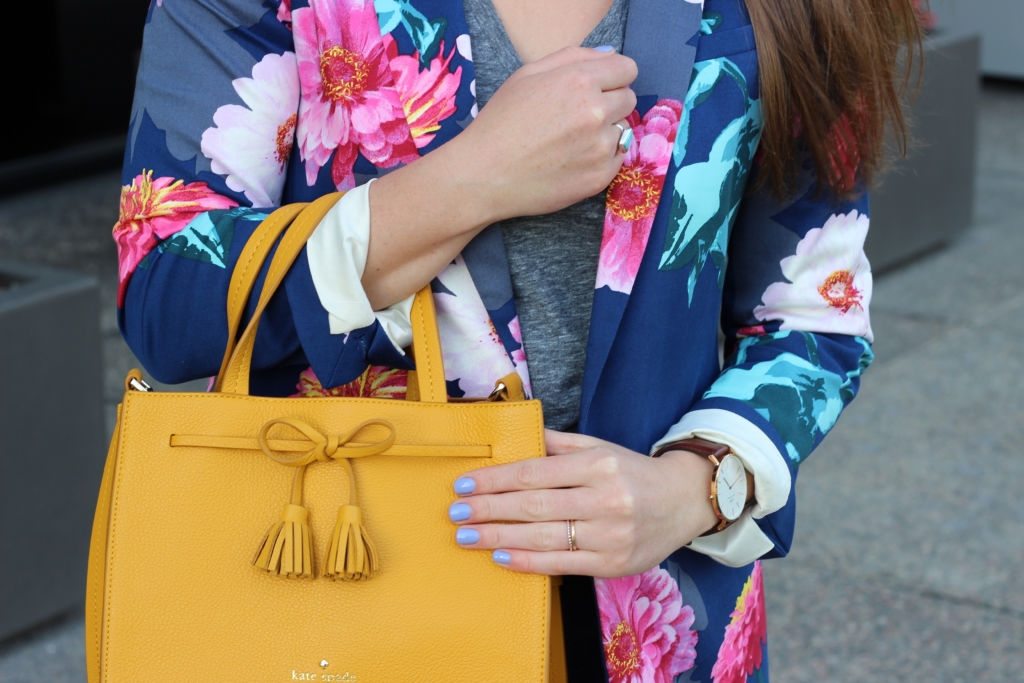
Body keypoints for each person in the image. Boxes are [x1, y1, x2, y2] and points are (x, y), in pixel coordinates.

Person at [114, 0, 919, 679]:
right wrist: (469, 180)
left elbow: (811, 319)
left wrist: (694, 490)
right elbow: (165, 297)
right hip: (344, 592)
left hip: (662, 623)